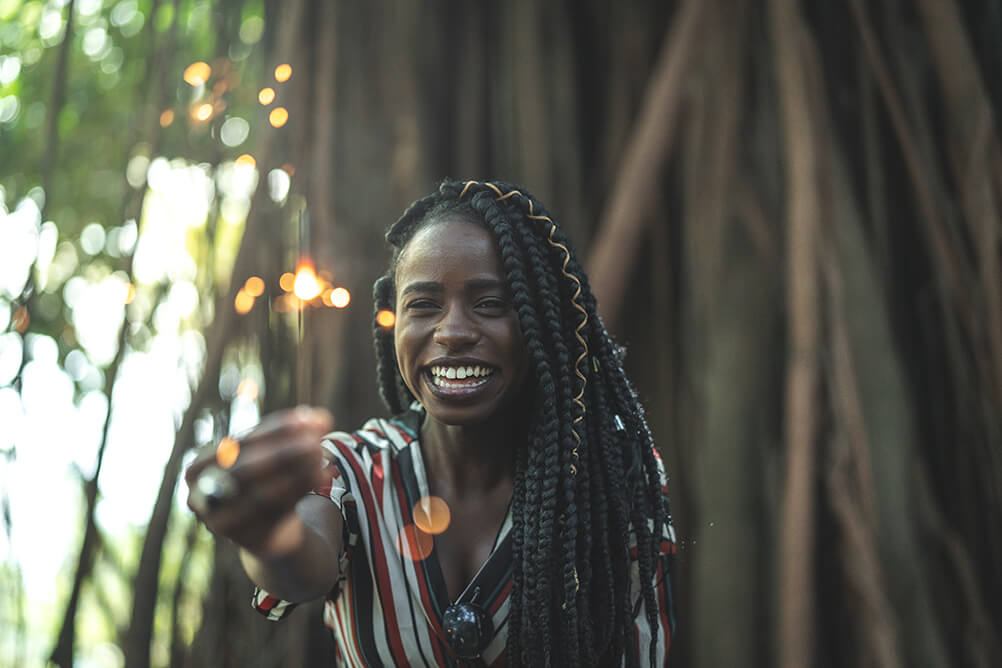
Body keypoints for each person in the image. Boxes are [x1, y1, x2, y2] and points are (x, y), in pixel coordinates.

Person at [186, 179, 676, 667]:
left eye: (489, 303)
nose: (453, 332)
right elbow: (300, 564)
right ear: (393, 321)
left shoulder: (612, 479)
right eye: (423, 305)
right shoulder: (352, 470)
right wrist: (269, 535)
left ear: (539, 326)